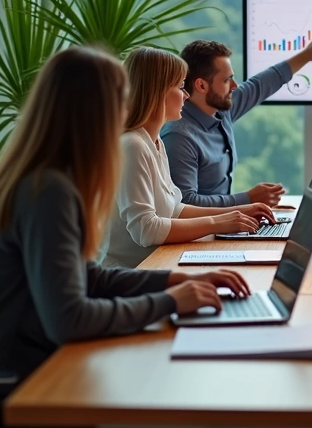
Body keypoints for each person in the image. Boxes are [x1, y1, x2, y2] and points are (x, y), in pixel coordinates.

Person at [0, 47, 251, 428]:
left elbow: (84, 275)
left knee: (168, 398)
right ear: (96, 110)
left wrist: (171, 281)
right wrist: (171, 302)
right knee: (171, 416)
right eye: (120, 97)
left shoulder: (46, 178)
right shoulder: (48, 192)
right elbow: (69, 319)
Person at [104, 47, 277, 269]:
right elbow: (146, 230)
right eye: (179, 87)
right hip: (131, 274)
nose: (185, 95)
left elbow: (175, 209)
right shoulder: (133, 146)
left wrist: (236, 213)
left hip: (158, 263)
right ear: (157, 92)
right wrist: (217, 222)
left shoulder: (153, 142)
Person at [163, 24, 312, 207]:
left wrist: (307, 55)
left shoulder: (221, 110)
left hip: (224, 225)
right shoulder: (179, 136)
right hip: (201, 234)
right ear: (201, 86)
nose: (234, 86)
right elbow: (183, 204)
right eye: (226, 80)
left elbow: (262, 83)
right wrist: (248, 200)